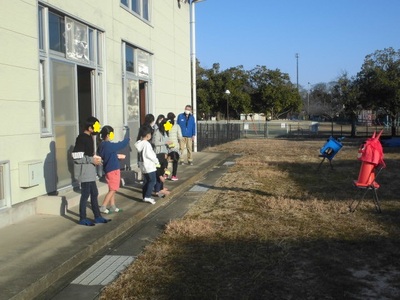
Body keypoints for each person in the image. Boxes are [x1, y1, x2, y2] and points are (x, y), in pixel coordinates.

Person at [71, 116, 110, 226]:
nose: (97, 129)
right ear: (89, 128)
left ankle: (97, 216)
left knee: (94, 193)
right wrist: (92, 159)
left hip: (90, 172)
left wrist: (96, 159)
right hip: (84, 172)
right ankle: (82, 218)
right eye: (95, 127)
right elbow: (77, 157)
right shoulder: (81, 138)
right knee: (85, 195)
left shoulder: (89, 138)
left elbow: (88, 155)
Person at [97, 125, 130, 214]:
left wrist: (117, 156)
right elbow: (121, 145)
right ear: (108, 135)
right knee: (114, 189)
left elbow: (107, 156)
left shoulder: (102, 145)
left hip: (108, 169)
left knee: (111, 188)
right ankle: (103, 206)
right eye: (112, 133)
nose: (112, 135)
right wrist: (127, 138)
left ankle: (112, 206)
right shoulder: (108, 145)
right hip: (113, 169)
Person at [134, 125, 159, 205]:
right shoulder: (147, 144)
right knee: (152, 181)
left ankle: (144, 196)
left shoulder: (140, 143)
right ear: (148, 135)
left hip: (143, 165)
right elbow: (150, 155)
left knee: (146, 181)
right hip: (149, 165)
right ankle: (147, 196)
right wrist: (156, 161)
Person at [152, 119, 172, 196]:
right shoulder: (157, 132)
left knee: (163, 171)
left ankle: (161, 188)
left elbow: (167, 141)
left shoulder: (165, 132)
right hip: (158, 154)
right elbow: (155, 142)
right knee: (159, 171)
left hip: (164, 153)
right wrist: (165, 142)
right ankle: (158, 190)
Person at [166, 112, 182, 180]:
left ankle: (166, 174)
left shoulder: (166, 125)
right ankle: (173, 175)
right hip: (174, 146)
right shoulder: (177, 126)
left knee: (166, 161)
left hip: (167, 146)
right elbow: (180, 136)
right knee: (175, 161)